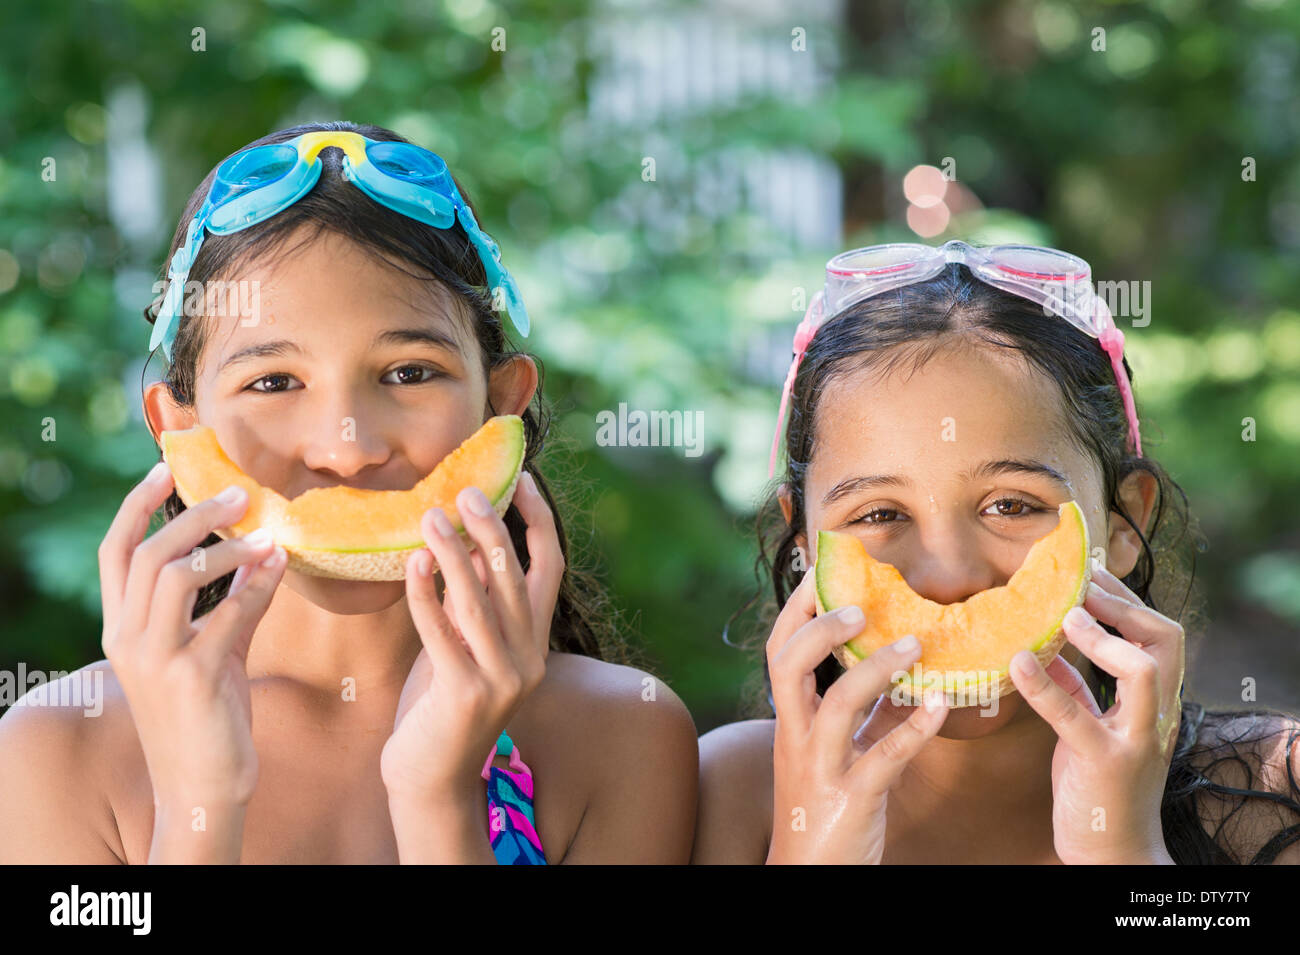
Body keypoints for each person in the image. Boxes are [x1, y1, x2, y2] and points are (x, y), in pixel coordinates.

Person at [0, 121, 697, 864]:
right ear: (179, 432)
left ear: (503, 407)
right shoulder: (56, 748)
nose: (348, 448)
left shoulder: (625, 735)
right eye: (273, 382)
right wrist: (198, 802)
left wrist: (436, 797)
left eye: (408, 372)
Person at [693, 241, 1300, 864]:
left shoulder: (1271, 791)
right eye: (879, 514)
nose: (951, 576)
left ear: (1122, 524)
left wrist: (1125, 853)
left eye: (1011, 505)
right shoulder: (728, 796)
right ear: (806, 548)